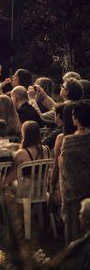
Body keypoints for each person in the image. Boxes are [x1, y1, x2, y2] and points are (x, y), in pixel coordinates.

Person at [60, 100, 90, 244]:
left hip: (74, 193)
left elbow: (66, 169)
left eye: (73, 115)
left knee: (75, 236)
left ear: (77, 118)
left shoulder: (69, 141)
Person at [49, 197, 90, 269]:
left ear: (87, 220)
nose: (78, 216)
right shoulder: (84, 238)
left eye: (81, 214)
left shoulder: (83, 247)